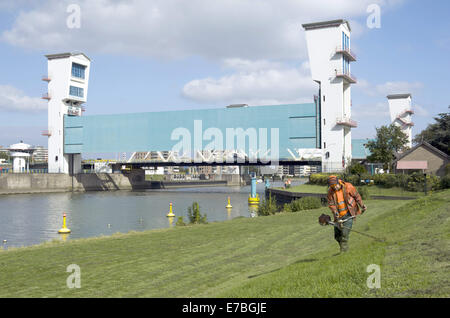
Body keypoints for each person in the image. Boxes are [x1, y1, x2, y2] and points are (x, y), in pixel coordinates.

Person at [327, 175, 367, 253]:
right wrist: (335, 212)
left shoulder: (348, 186)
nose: (334, 188)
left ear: (338, 182)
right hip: (338, 217)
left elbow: (357, 196)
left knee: (344, 235)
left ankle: (344, 252)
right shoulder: (330, 191)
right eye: (332, 186)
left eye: (335, 185)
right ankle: (343, 248)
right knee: (337, 236)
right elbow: (331, 204)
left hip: (349, 214)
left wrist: (362, 205)